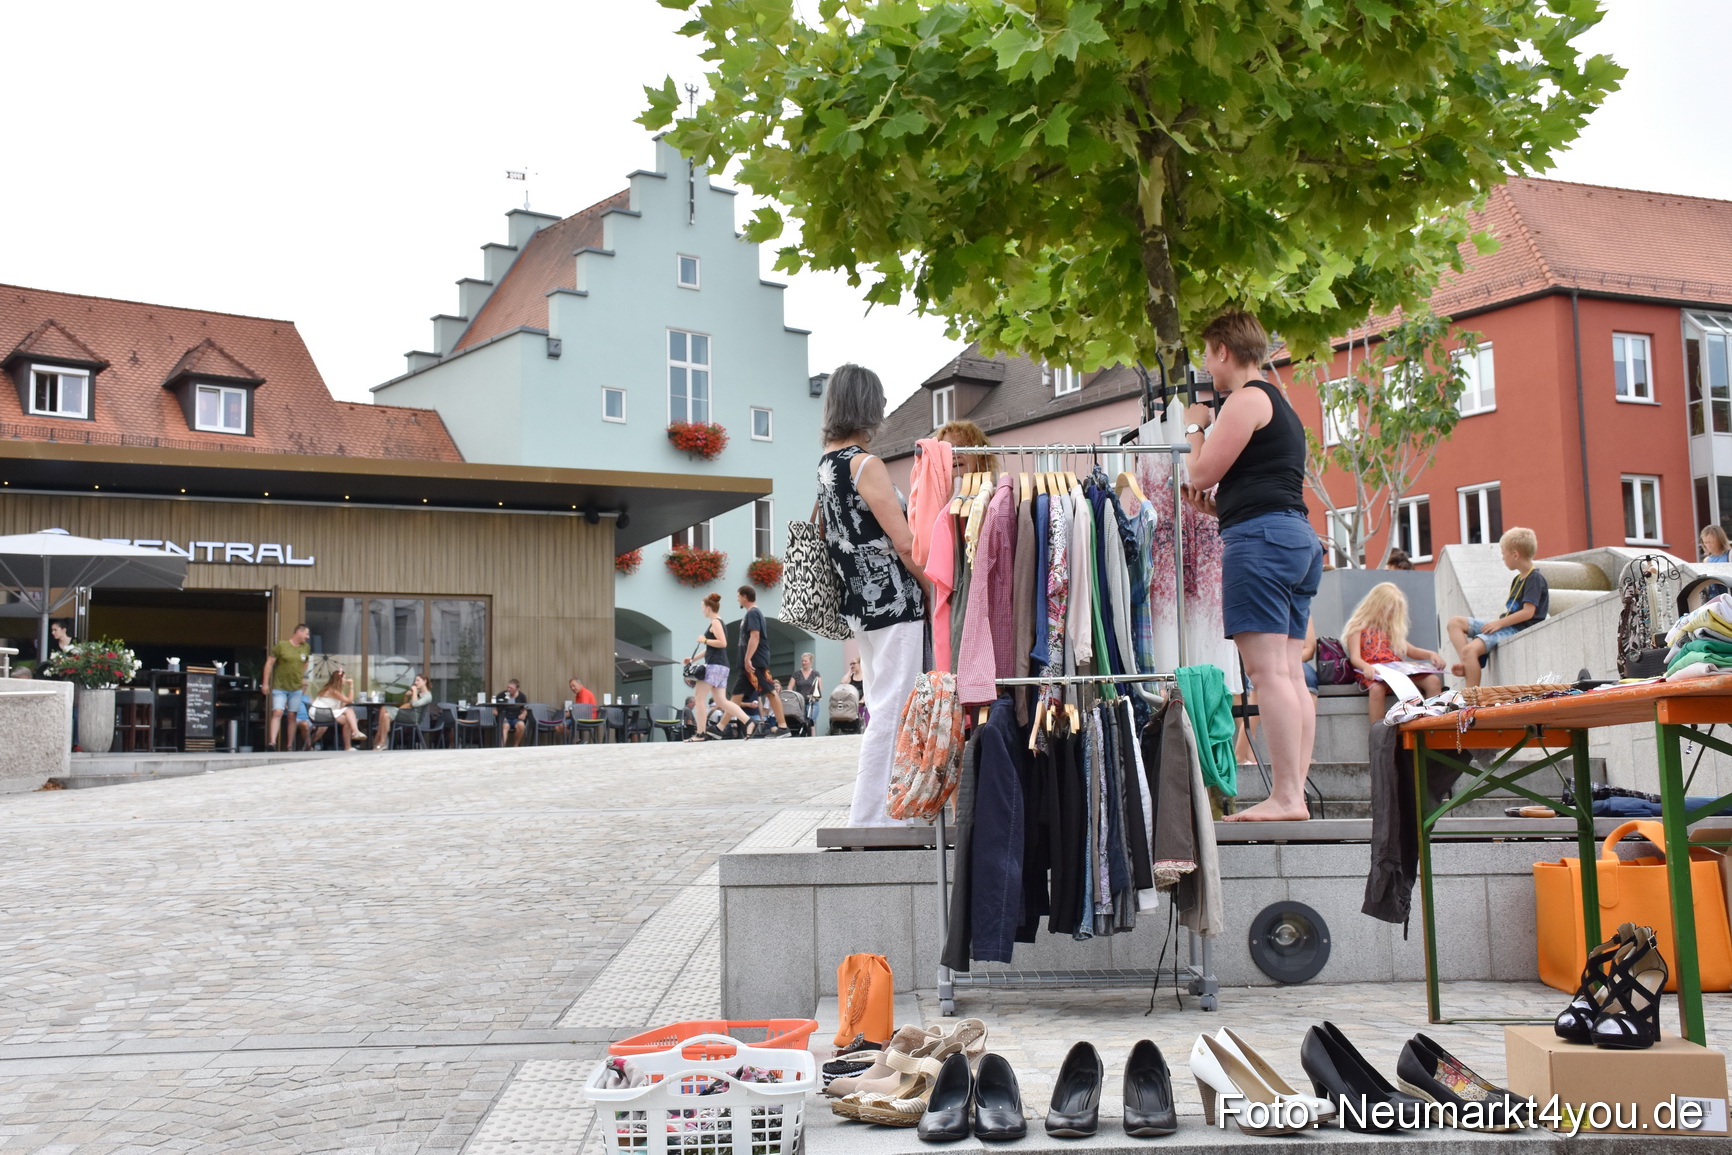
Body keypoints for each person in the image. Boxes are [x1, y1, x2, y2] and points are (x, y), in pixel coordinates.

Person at [1180, 310, 1323, 822]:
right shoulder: (1278, 404)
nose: (1205, 364)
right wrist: (1220, 509)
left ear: (1222, 350)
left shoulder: (1244, 399)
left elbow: (1201, 468)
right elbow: (1265, 483)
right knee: (1287, 673)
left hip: (1262, 543)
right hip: (1292, 539)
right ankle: (1295, 793)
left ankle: (1286, 796)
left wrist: (1194, 426)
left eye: (1206, 353)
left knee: (1268, 675)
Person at [820, 363, 927, 825]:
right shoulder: (866, 465)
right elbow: (904, 542)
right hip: (894, 602)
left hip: (861, 606)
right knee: (893, 709)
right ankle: (872, 819)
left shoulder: (827, 464)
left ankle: (881, 815)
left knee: (883, 704)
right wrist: (938, 587)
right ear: (870, 407)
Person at [1447, 526, 1549, 689]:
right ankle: (1468, 666)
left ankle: (1471, 701)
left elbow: (1528, 612)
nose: (1502, 558)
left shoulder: (1534, 578)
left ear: (1515, 554)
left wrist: (1499, 624)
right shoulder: (1518, 579)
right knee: (1455, 623)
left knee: (1469, 650)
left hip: (1515, 629)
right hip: (1505, 626)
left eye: (1503, 553)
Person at [1343, 583, 1446, 723]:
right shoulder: (1358, 627)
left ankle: (1433, 724)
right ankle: (1378, 732)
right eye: (1389, 610)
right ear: (1377, 605)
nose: (1392, 614)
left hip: (1396, 671)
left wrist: (1430, 655)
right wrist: (1366, 667)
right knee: (1377, 690)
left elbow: (1412, 651)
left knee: (1433, 681)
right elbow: (1355, 658)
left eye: (1395, 611)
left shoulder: (1390, 629)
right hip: (1374, 672)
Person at [1234, 618, 1317, 766]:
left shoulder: (1299, 608)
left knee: (1302, 681)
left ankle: (1300, 756)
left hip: (1288, 661)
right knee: (1257, 703)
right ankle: (1239, 756)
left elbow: (1309, 648)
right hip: (1266, 661)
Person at [686, 593, 755, 740]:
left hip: (714, 666)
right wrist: (693, 659)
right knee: (721, 701)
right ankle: (749, 722)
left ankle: (700, 733)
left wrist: (704, 639)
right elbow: (713, 647)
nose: (702, 610)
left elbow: (722, 643)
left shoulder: (715, 622)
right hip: (722, 666)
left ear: (709, 608)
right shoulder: (719, 622)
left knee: (699, 698)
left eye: (702, 607)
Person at [732, 586, 788, 736]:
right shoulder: (751, 613)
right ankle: (718, 728)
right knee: (736, 696)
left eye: (738, 596)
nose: (737, 598)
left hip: (755, 661)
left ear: (745, 596)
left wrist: (748, 658)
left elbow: (755, 636)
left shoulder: (753, 612)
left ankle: (783, 727)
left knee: (770, 691)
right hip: (749, 663)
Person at [263, 623, 311, 750]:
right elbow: (269, 663)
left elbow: (306, 661)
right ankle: (272, 742)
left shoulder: (305, 647)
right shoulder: (282, 646)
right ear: (299, 632)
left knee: (292, 715)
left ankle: (289, 745)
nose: (308, 637)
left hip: (296, 687)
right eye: (306, 633)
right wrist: (266, 682)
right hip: (280, 685)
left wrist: (301, 676)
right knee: (278, 711)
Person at [308, 667, 367, 750]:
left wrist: (346, 704)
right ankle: (355, 731)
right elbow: (349, 700)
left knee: (348, 721)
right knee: (349, 710)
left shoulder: (336, 690)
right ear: (339, 679)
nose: (345, 680)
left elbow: (341, 706)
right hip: (320, 713)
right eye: (344, 678)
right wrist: (351, 686)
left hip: (326, 712)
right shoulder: (332, 690)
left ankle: (348, 747)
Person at [373, 673, 434, 749]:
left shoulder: (428, 696)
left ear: (425, 681)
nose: (415, 682)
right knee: (386, 716)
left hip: (412, 717)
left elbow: (415, 704)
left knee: (384, 708)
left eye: (418, 680)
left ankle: (379, 735)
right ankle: (383, 742)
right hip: (406, 713)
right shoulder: (418, 692)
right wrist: (407, 696)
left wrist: (414, 691)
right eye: (415, 680)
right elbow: (405, 705)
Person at [934, 419, 999, 475]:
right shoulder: (928, 489)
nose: (955, 455)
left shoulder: (997, 489)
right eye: (948, 449)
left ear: (980, 455)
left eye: (961, 447)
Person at [790, 652, 823, 733]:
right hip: (800, 702)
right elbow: (790, 687)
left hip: (812, 702)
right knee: (801, 722)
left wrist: (815, 697)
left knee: (811, 722)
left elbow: (819, 688)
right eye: (802, 661)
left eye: (805, 661)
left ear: (810, 662)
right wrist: (792, 697)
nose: (803, 663)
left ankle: (813, 740)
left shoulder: (815, 674)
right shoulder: (796, 674)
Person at [497, 678, 529, 747]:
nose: (508, 689)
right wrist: (501, 717)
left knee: (521, 725)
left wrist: (523, 714)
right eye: (508, 687)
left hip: (516, 718)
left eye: (511, 688)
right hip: (505, 717)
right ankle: (502, 747)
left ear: (517, 689)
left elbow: (524, 709)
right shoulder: (502, 695)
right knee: (505, 726)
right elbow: (495, 709)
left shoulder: (522, 696)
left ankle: (515, 746)